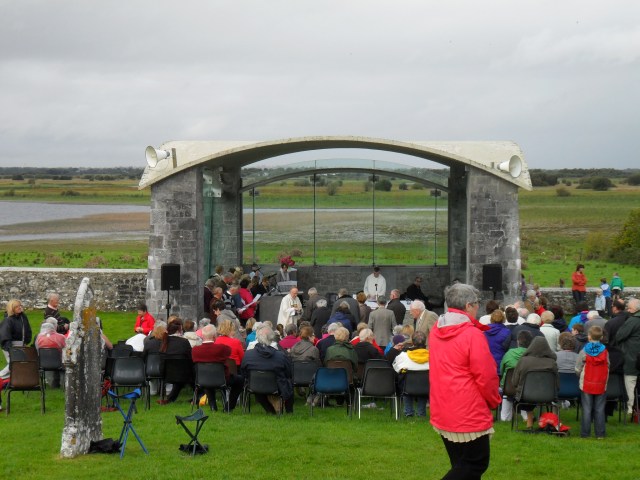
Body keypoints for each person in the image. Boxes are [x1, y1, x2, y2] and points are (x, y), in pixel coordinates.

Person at [429, 283, 501, 479]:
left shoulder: (436, 329)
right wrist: (494, 400)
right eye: (477, 304)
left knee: (461, 465)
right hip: (467, 409)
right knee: (476, 463)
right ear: (468, 306)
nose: (478, 307)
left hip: (443, 404)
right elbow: (486, 376)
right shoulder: (472, 335)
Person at [241, 325, 294, 414]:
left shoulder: (248, 355)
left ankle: (270, 410)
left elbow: (244, 372)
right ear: (272, 338)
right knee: (288, 383)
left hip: (255, 386)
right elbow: (288, 372)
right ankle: (289, 412)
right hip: (277, 386)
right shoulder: (280, 356)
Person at [191, 324, 243, 412]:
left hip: (202, 379)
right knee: (240, 379)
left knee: (208, 376)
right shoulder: (222, 348)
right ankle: (229, 407)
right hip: (222, 379)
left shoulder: (195, 350)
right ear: (215, 336)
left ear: (202, 336)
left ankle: (213, 406)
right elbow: (229, 352)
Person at [512, 337, 559, 429]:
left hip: (525, 396)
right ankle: (544, 422)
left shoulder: (523, 361)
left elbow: (514, 381)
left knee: (525, 393)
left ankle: (530, 423)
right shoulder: (552, 363)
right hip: (547, 395)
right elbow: (557, 383)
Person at [575, 325, 609, 438]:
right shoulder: (605, 351)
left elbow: (578, 367)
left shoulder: (584, 350)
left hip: (586, 382)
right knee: (599, 409)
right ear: (602, 337)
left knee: (587, 409)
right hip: (601, 382)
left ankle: (585, 434)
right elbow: (608, 365)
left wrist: (580, 376)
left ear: (589, 337)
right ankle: (600, 434)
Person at [393, 331, 429, 418]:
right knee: (424, 381)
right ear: (425, 342)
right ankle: (421, 413)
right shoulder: (432, 356)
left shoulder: (403, 356)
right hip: (426, 388)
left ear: (412, 342)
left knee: (403, 378)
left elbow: (396, 368)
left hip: (407, 387)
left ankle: (408, 412)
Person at [499, 331, 533, 422]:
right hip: (527, 388)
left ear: (518, 341)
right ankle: (526, 416)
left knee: (506, 391)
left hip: (508, 387)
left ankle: (505, 418)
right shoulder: (533, 355)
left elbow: (502, 369)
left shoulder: (509, 353)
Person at [156, 318, 192, 404]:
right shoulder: (184, 342)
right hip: (183, 374)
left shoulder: (164, 342)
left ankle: (170, 399)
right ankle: (199, 395)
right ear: (179, 329)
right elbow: (190, 357)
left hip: (166, 374)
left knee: (180, 375)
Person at [614, 297, 640, 416]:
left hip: (632, 357)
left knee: (630, 382)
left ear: (635, 309)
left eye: (629, 308)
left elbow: (619, 335)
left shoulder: (633, 320)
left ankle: (630, 409)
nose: (628, 311)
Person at [0, 299, 33, 379]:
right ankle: (1, 377)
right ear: (12, 308)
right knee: (14, 363)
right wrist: (10, 349)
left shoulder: (23, 317)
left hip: (21, 345)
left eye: (20, 305)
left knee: (18, 364)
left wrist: (26, 342)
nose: (20, 307)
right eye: (17, 306)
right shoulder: (8, 320)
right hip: (10, 345)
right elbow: (5, 335)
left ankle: (11, 380)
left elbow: (27, 330)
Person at [484, 309, 511, 375]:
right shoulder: (507, 332)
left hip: (487, 364)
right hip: (501, 364)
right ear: (503, 319)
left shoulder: (484, 332)